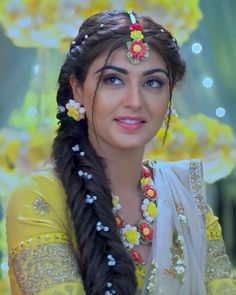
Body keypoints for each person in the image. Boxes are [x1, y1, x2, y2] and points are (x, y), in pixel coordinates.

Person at [6, 9, 236, 295]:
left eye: (152, 82)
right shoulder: (39, 199)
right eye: (113, 79)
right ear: (77, 89)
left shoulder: (186, 200)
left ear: (170, 95)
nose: (134, 101)